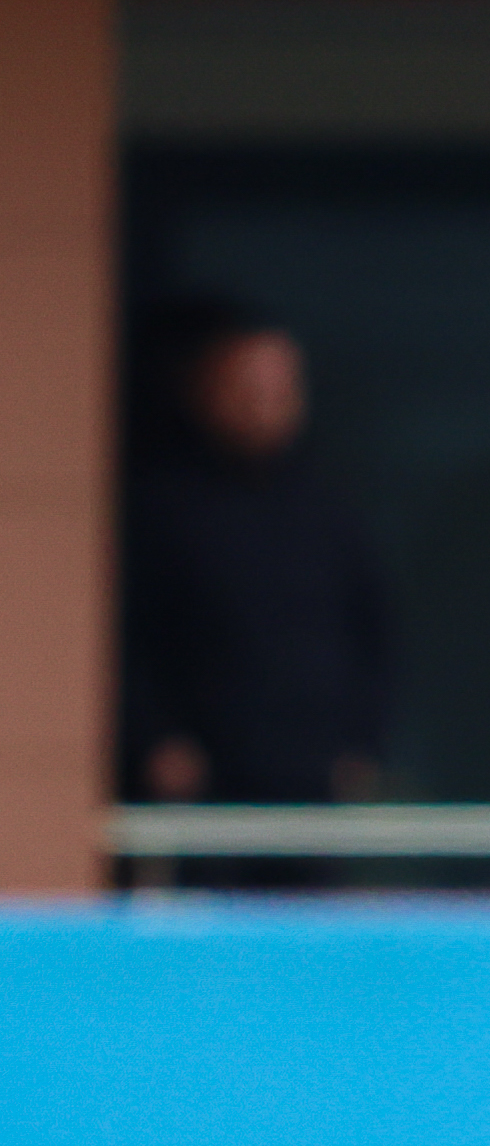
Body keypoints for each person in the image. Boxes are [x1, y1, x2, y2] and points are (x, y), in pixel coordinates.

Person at [122, 301, 389, 806]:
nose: (264, 406)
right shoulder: (162, 510)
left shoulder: (330, 511)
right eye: (248, 389)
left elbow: (374, 638)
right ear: (205, 391)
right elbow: (128, 638)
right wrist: (153, 738)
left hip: (313, 775)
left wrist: (363, 745)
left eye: (280, 391)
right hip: (201, 782)